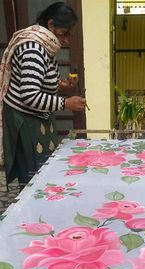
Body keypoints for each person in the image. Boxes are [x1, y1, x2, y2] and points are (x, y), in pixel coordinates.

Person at [0, 2, 86, 189]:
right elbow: (30, 96)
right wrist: (66, 103)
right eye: (64, 33)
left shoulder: (44, 45)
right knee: (33, 173)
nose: (66, 41)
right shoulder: (33, 49)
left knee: (43, 167)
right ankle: (30, 211)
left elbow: (37, 80)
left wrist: (62, 85)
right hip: (25, 118)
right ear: (51, 24)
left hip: (37, 115)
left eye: (69, 35)